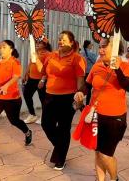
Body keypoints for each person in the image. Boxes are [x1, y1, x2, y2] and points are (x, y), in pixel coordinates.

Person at [75, 37, 129, 181]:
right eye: (99, 47)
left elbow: (128, 86)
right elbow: (88, 85)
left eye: (104, 47)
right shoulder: (97, 65)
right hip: (96, 115)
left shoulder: (124, 66)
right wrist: (81, 92)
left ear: (114, 49)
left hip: (115, 118)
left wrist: (116, 68)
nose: (100, 50)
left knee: (106, 154)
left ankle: (114, 178)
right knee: (98, 151)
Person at [35, 30, 86, 170]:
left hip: (67, 98)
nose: (60, 42)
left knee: (63, 128)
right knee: (46, 124)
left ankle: (61, 158)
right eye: (59, 39)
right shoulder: (51, 56)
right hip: (50, 96)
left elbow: (80, 81)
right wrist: (43, 79)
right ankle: (60, 148)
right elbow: (45, 71)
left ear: (71, 42)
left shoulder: (77, 58)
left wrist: (80, 95)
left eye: (63, 40)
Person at [23, 39, 52, 124]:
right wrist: (26, 73)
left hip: (41, 80)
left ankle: (45, 117)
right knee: (26, 94)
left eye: (40, 43)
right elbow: (31, 63)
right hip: (32, 78)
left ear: (45, 44)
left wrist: (43, 80)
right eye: (37, 42)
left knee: (43, 98)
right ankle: (32, 115)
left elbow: (48, 68)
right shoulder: (35, 53)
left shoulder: (48, 54)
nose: (37, 44)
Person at [81, 40, 97, 105]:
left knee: (82, 89)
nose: (92, 45)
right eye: (91, 44)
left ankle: (79, 102)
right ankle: (87, 104)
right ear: (88, 45)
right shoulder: (91, 54)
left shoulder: (81, 53)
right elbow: (96, 61)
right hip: (89, 74)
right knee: (89, 90)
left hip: (82, 73)